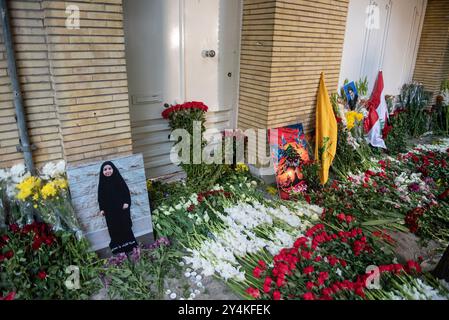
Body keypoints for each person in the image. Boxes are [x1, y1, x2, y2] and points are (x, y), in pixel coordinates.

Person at [98, 161, 137, 255]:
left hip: (121, 209)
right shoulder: (102, 184)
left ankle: (130, 245)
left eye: (109, 169)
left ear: (113, 169)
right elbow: (100, 197)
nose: (108, 171)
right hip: (110, 211)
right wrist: (102, 209)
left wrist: (127, 202)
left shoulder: (118, 180)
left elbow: (126, 192)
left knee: (125, 226)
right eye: (105, 169)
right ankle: (119, 248)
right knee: (114, 228)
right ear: (102, 172)